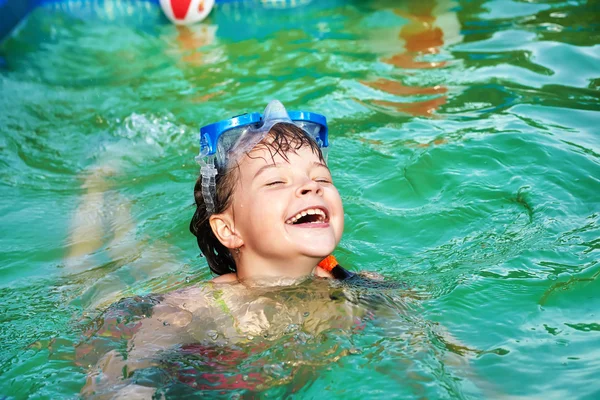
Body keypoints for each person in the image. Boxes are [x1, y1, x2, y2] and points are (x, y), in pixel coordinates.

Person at [80, 100, 368, 398]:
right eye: (275, 182)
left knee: (152, 257)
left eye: (321, 177)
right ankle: (97, 187)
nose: (312, 187)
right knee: (98, 264)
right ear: (229, 230)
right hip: (121, 303)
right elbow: (132, 365)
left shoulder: (352, 287)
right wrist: (131, 387)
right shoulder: (198, 307)